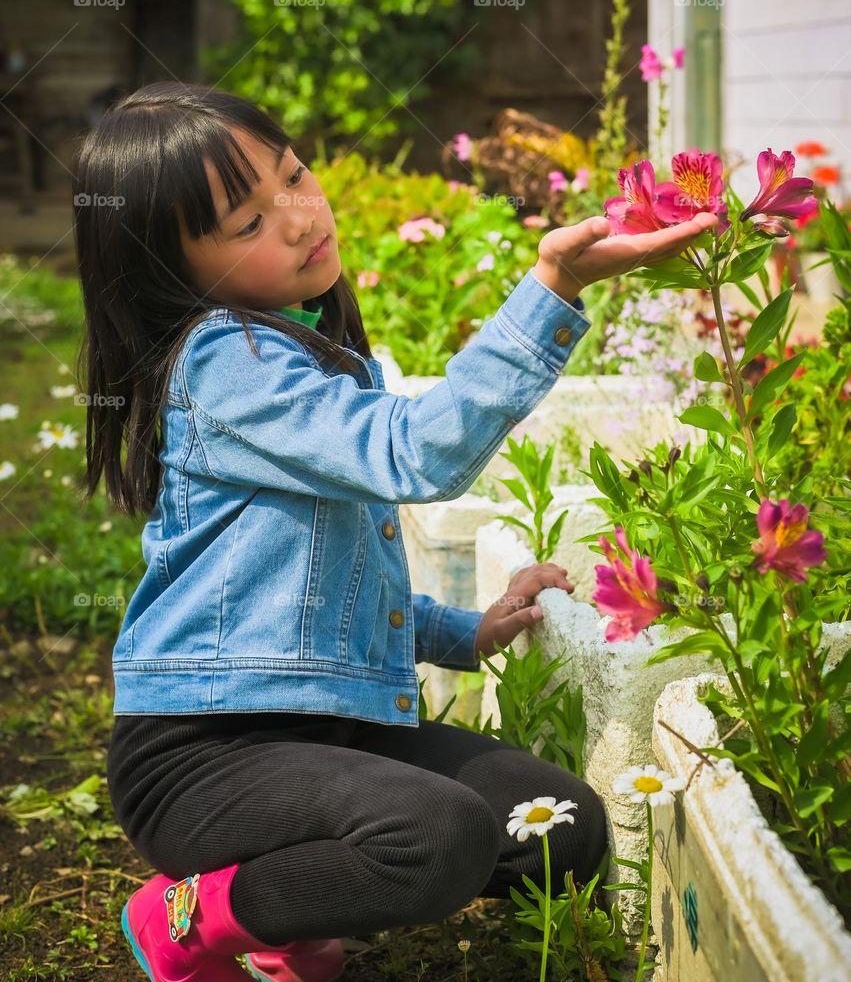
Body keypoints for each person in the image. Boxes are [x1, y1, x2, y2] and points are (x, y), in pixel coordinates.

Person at [71, 83, 717, 982]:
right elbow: (412, 453)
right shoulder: (222, 361)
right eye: (248, 222)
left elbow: (315, 591)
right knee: (440, 837)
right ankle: (188, 916)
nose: (299, 216)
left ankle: (296, 905)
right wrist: (554, 288)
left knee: (558, 826)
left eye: (294, 175)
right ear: (173, 273)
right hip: (206, 758)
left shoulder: (298, 345)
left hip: (337, 735)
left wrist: (464, 631)